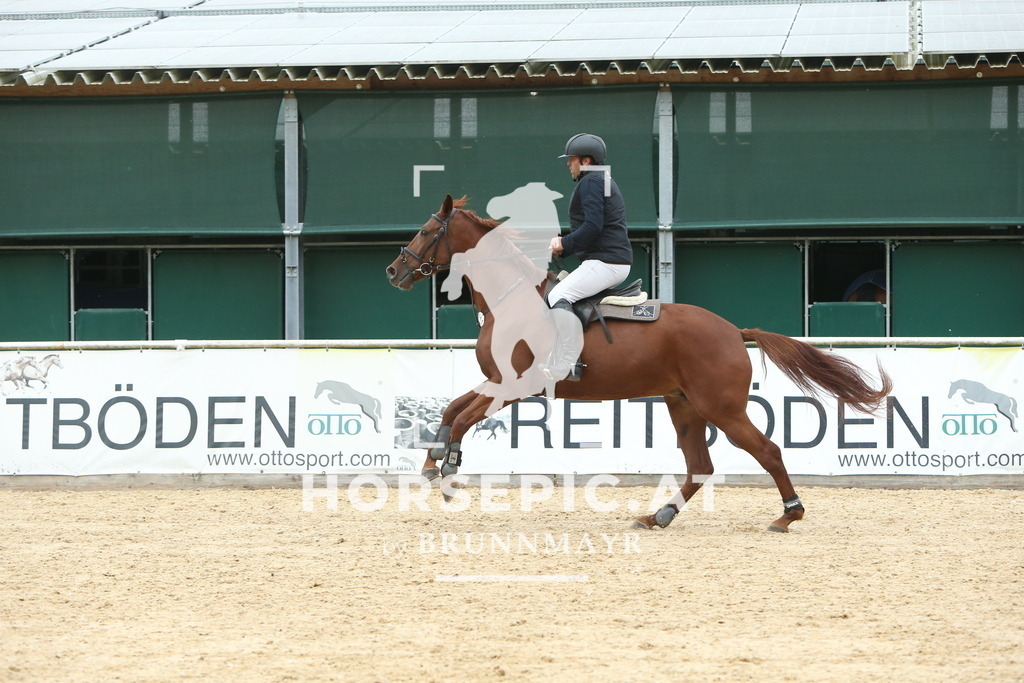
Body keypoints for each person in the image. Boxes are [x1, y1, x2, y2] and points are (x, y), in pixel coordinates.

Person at [542, 133, 633, 382]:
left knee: (558, 295)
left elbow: (593, 226)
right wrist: (565, 249)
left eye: (571, 159)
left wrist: (564, 242)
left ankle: (568, 362)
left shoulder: (591, 181)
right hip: (607, 259)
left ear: (586, 160)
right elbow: (595, 229)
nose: (567, 164)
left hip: (606, 262)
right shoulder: (600, 179)